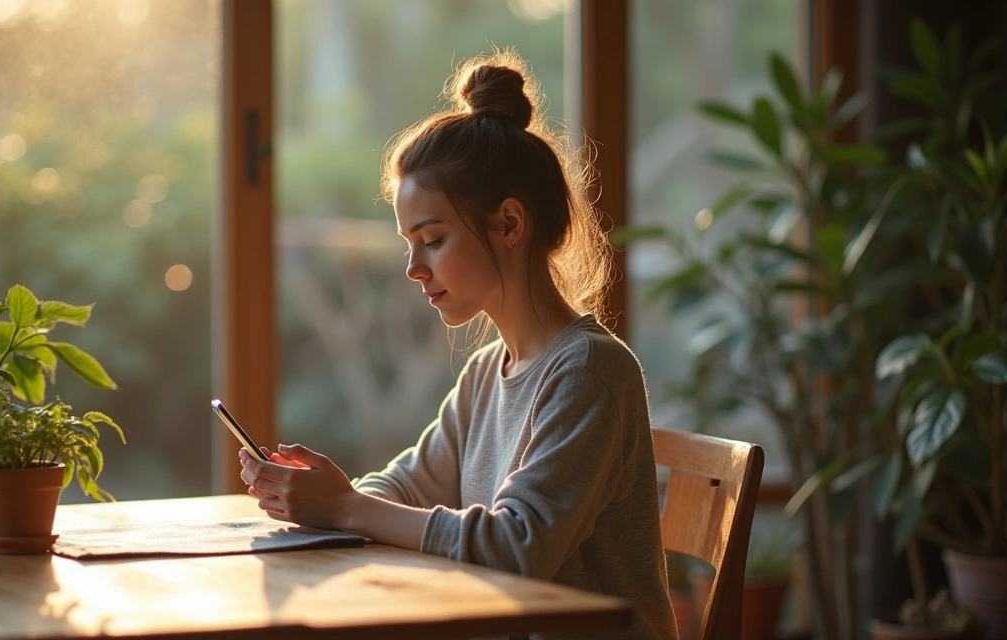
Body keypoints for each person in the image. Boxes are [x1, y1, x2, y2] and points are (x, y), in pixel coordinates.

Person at [238, 51, 678, 640]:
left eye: (434, 239)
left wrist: (345, 509)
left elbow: (518, 547)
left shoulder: (589, 372)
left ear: (510, 224)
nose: (415, 269)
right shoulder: (485, 372)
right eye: (409, 245)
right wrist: (321, 494)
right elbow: (408, 486)